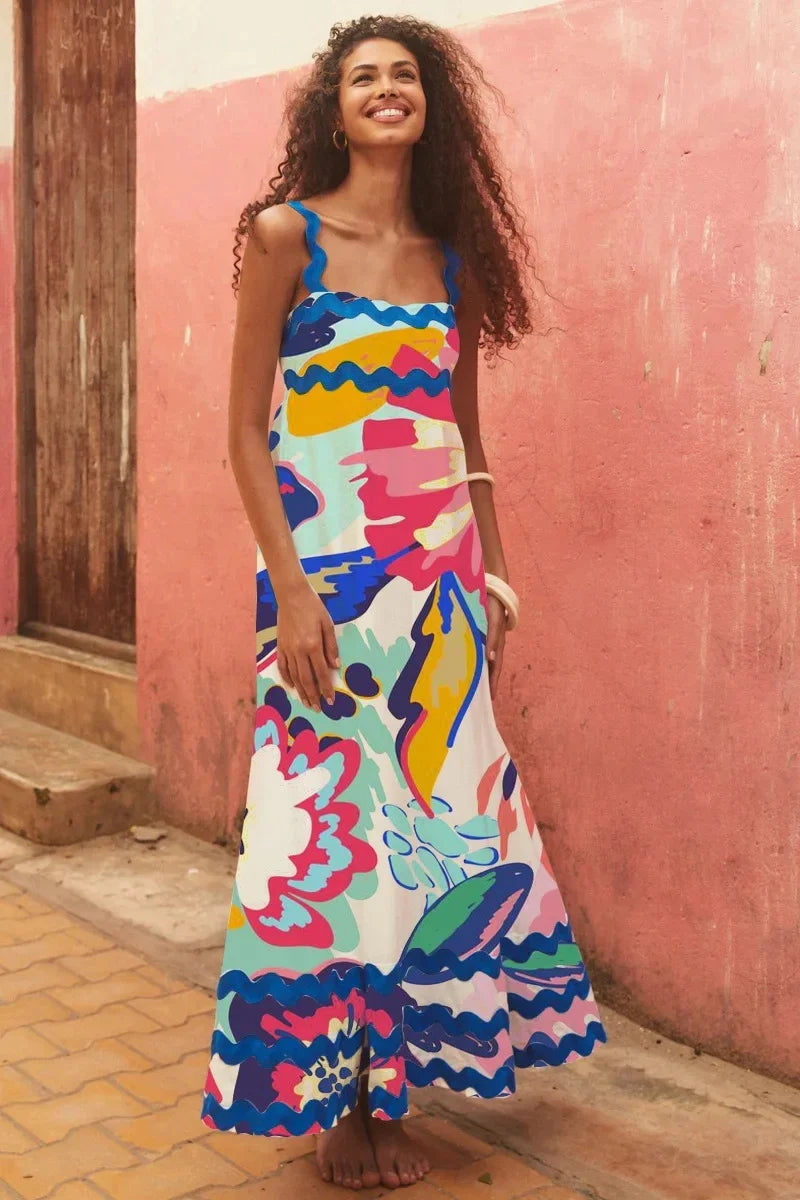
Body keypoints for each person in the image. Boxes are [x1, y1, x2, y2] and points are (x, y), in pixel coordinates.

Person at [200, 13, 608, 1193]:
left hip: (435, 597)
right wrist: (288, 589)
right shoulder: (288, 237)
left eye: (405, 77)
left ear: (432, 109)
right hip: (320, 585)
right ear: (331, 106)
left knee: (430, 835)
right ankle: (340, 1108)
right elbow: (242, 428)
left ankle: (394, 1089)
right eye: (363, 77)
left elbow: (462, 438)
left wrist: (489, 573)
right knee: (324, 841)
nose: (386, 90)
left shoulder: (451, 257)